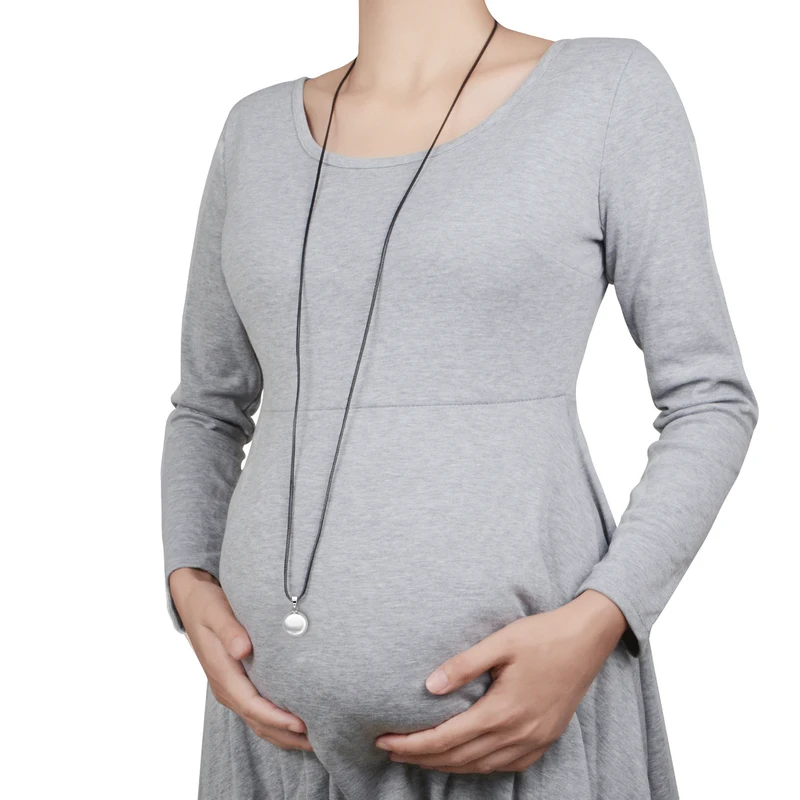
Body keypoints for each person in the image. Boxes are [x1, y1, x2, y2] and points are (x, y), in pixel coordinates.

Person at [160, 2, 758, 798]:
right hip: (274, 749)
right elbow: (208, 408)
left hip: (529, 740)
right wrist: (190, 578)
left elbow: (710, 398)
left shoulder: (605, 89)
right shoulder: (254, 132)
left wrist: (600, 620)